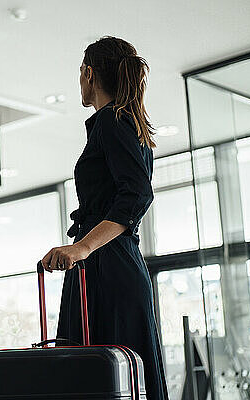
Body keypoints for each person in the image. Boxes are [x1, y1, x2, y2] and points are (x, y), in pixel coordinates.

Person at [41, 36, 169, 400]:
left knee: (100, 380)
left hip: (107, 266)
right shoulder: (124, 123)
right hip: (110, 264)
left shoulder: (113, 122)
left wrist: (82, 246)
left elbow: (137, 194)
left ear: (88, 73)